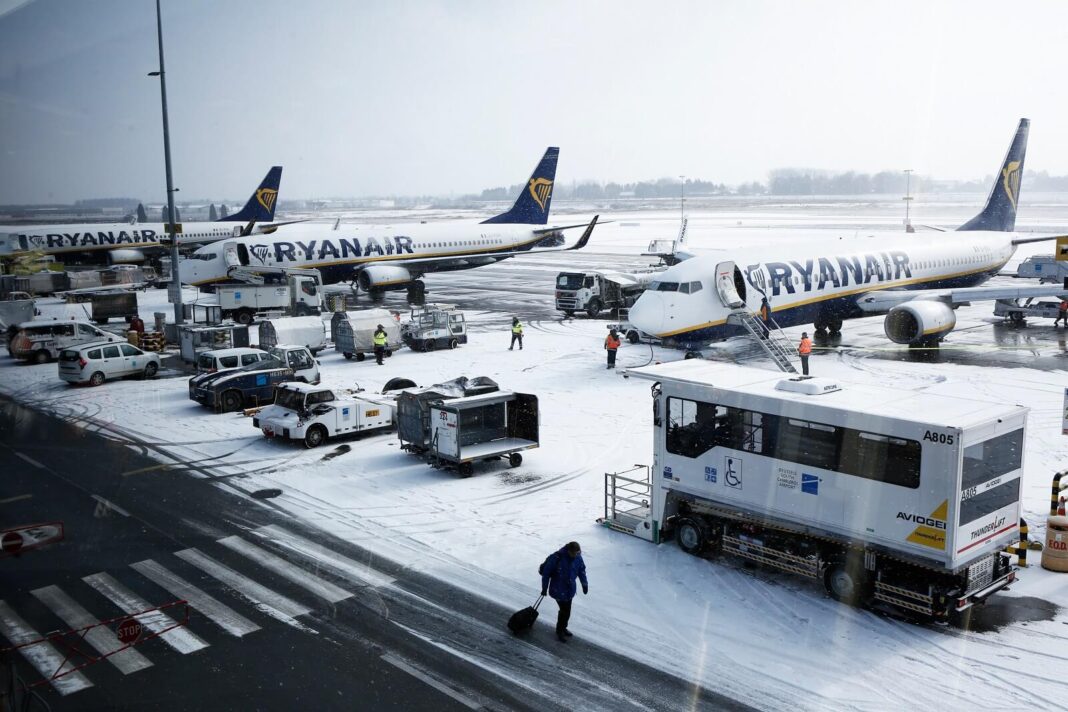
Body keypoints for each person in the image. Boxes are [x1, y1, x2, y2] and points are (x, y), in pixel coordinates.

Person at [540, 541, 588, 642]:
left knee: (567, 611)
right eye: (574, 553)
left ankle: (563, 628)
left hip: (569, 590)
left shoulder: (578, 557)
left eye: (578, 553)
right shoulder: (557, 557)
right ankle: (560, 631)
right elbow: (546, 573)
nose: (576, 556)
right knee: (564, 611)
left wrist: (584, 584)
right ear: (569, 551)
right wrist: (544, 588)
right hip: (558, 589)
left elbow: (581, 570)